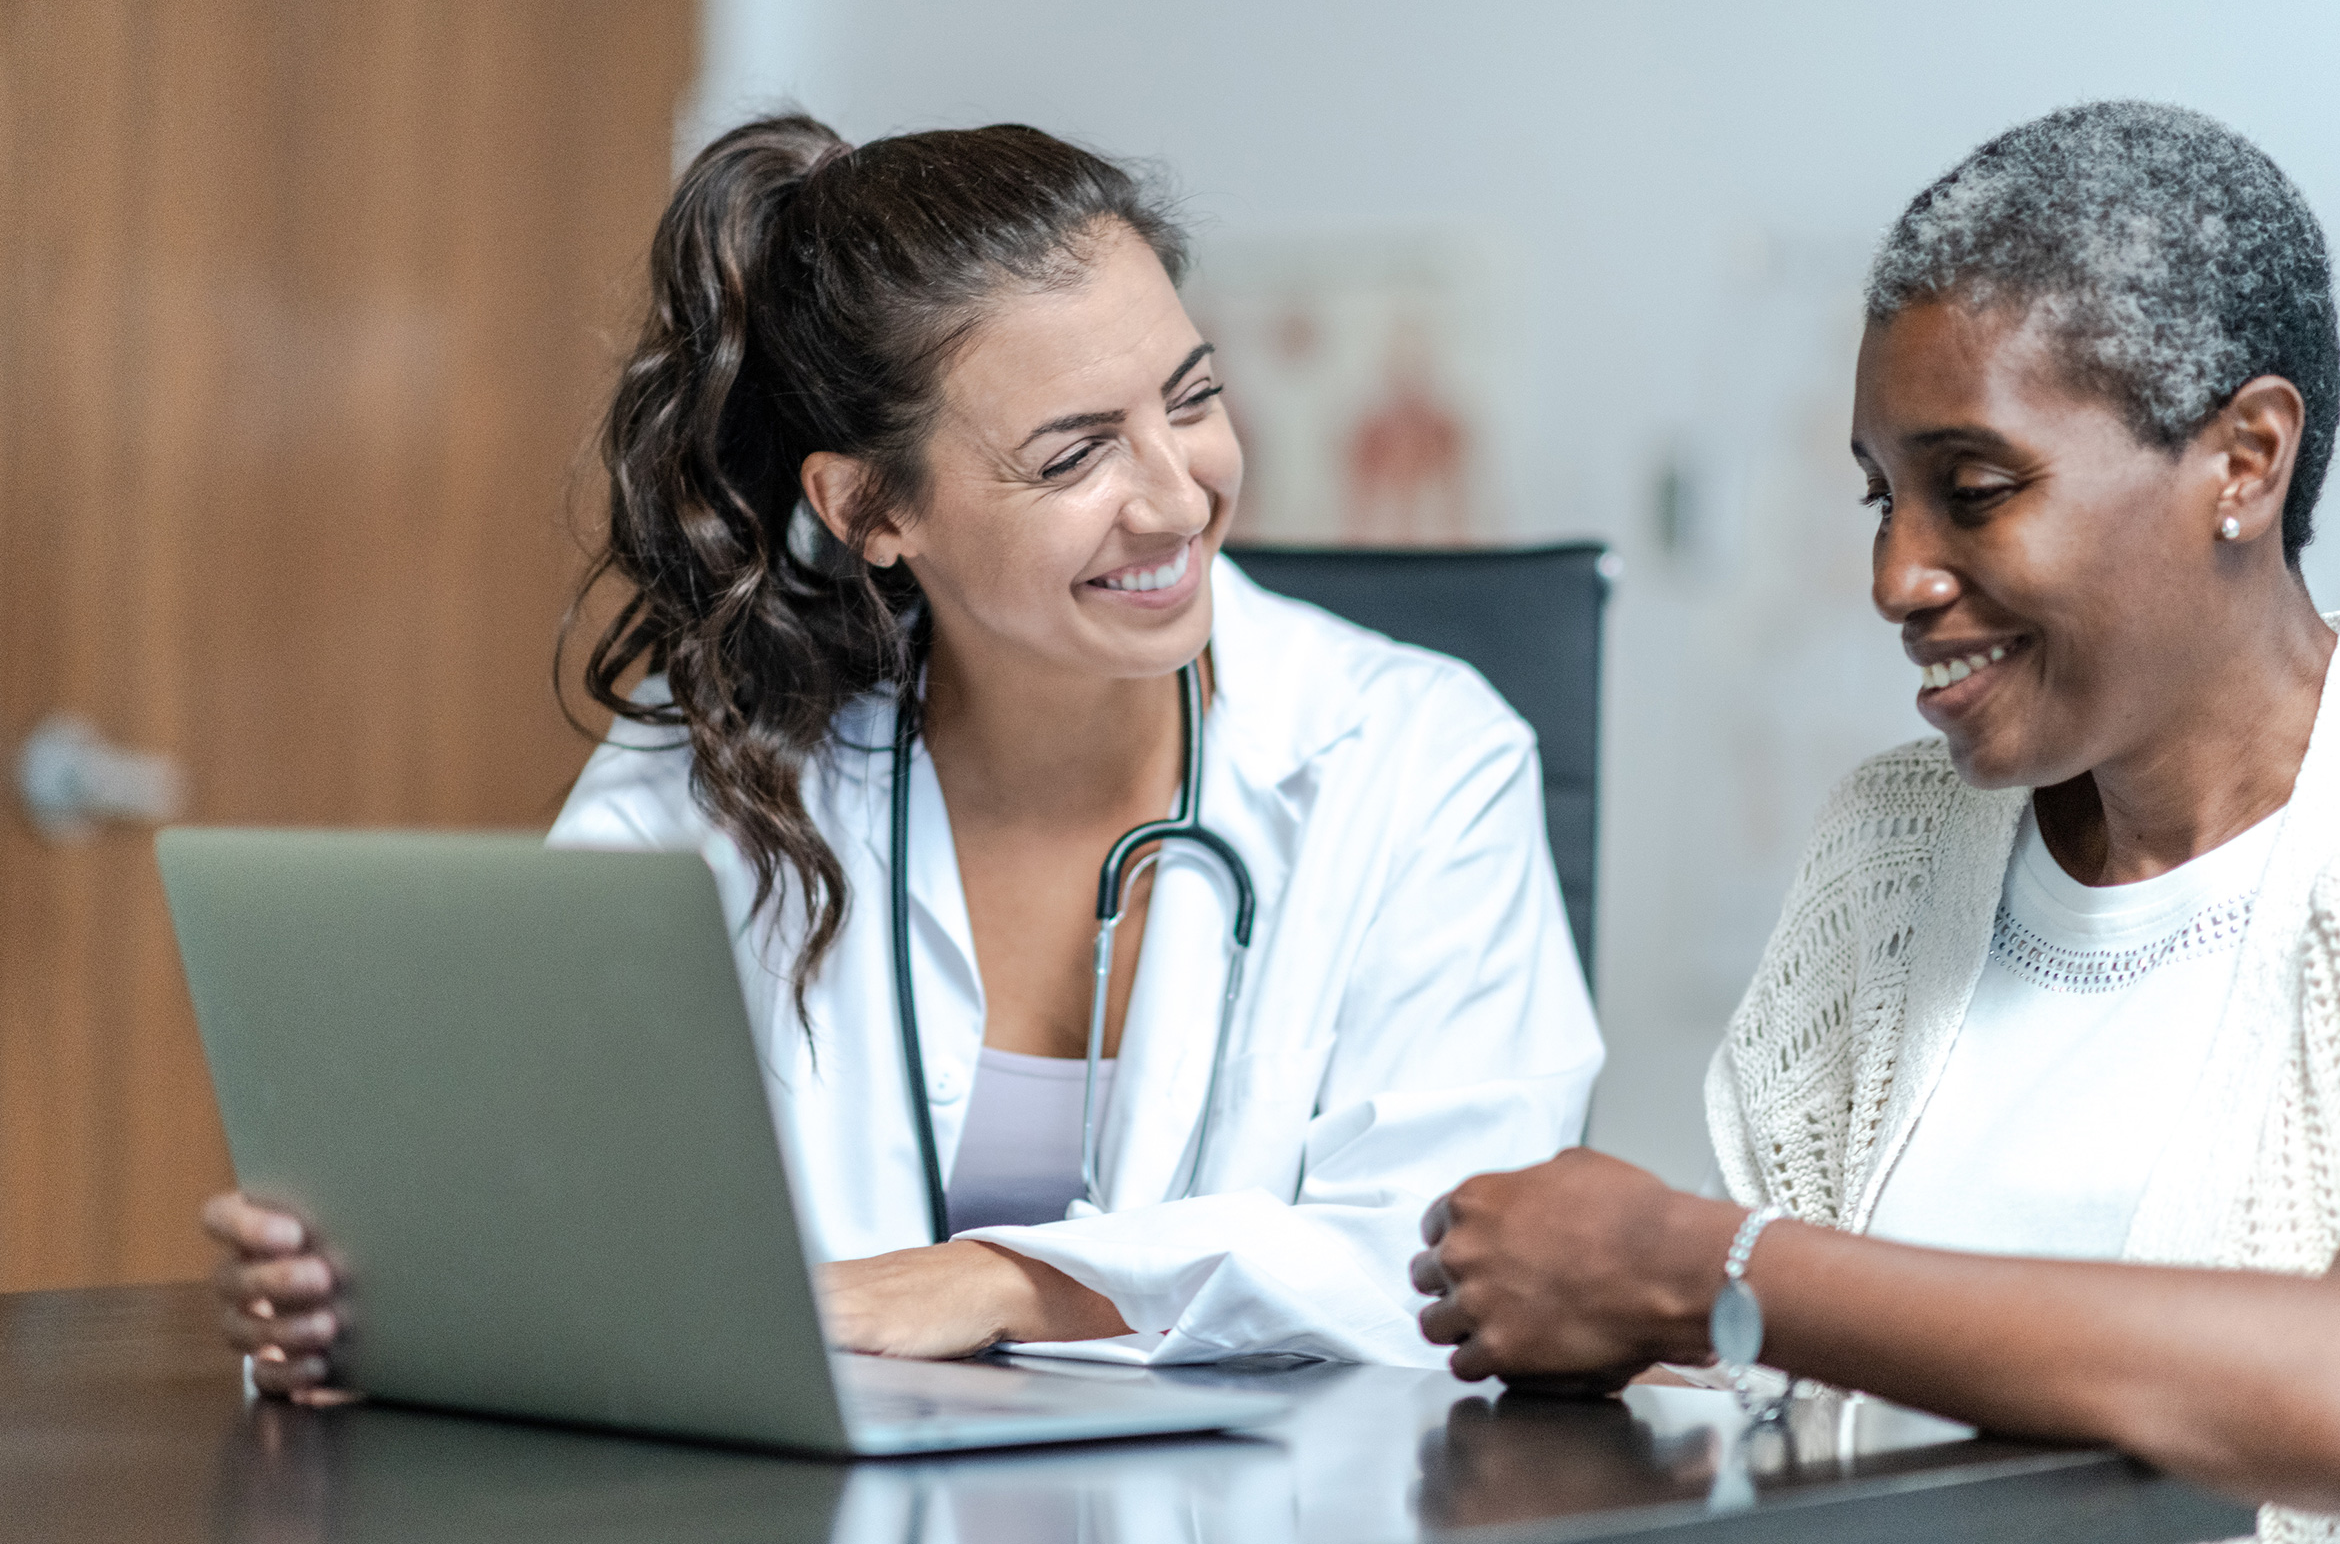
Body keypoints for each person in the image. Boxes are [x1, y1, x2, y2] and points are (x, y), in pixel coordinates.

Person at [203, 115, 1602, 1394]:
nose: (1178, 495)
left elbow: (1465, 1259)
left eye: (1190, 398)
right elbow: (533, 1199)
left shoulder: (1417, 755)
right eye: (1074, 457)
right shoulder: (723, 770)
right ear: (871, 505)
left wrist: (1000, 1281)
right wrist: (370, 1298)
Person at [1410, 102, 2340, 1538]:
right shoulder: (1893, 850)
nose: (1898, 578)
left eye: (1974, 492)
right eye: (1883, 498)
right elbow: (1757, 1389)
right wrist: (1625, 1317)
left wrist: (1706, 1267)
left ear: (2245, 459)